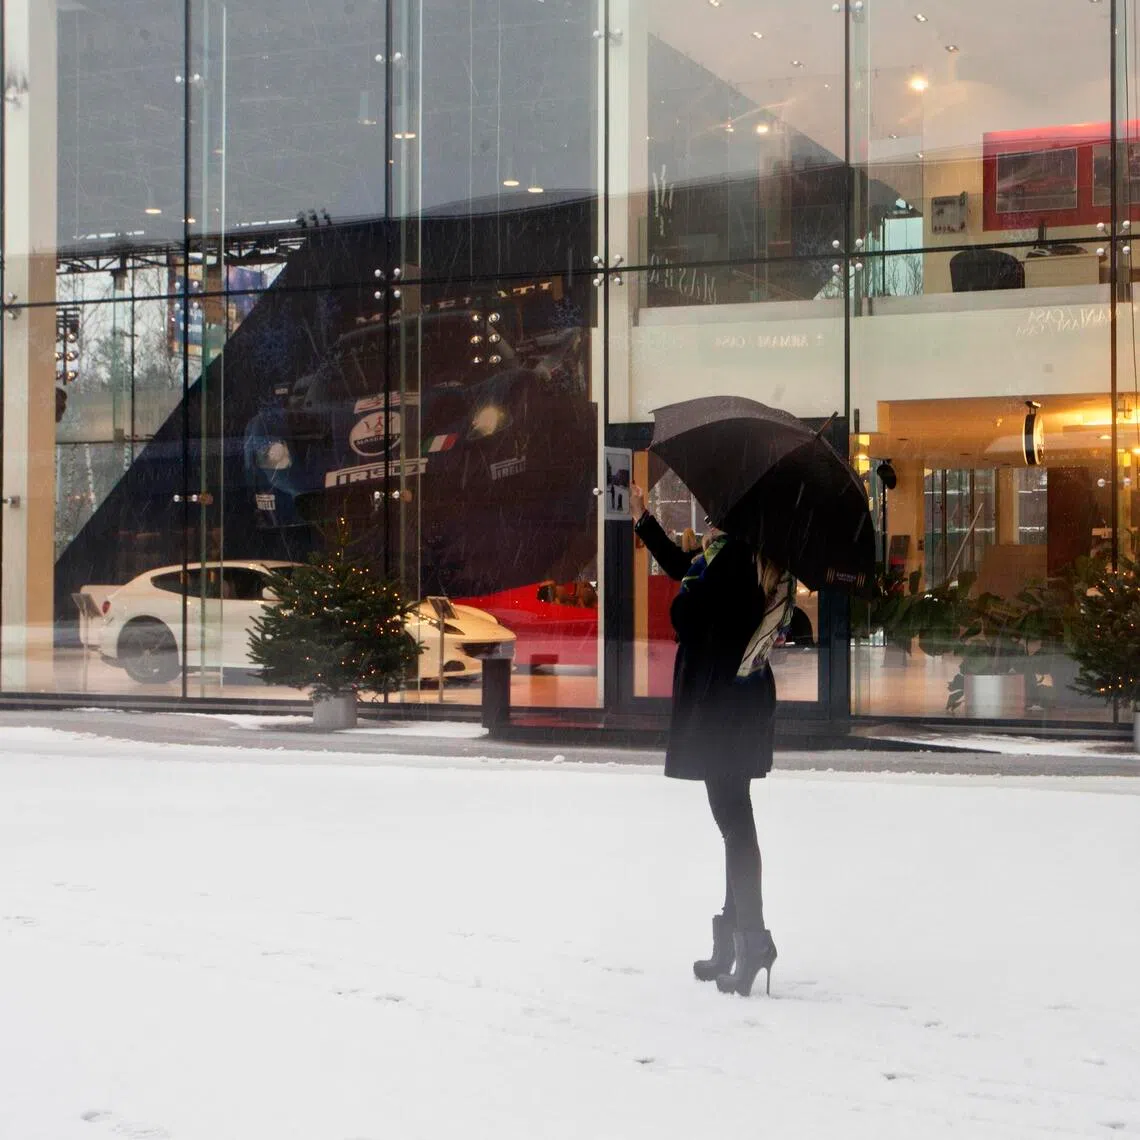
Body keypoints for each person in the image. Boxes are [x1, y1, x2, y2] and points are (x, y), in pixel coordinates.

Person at [630, 482, 781, 997]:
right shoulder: (725, 559)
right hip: (731, 708)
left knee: (734, 822)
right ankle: (735, 941)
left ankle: (752, 940)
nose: (707, 521)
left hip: (727, 711)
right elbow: (684, 566)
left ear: (729, 524)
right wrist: (645, 520)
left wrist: (690, 588)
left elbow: (687, 616)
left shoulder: (732, 565)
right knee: (733, 821)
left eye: (714, 515)